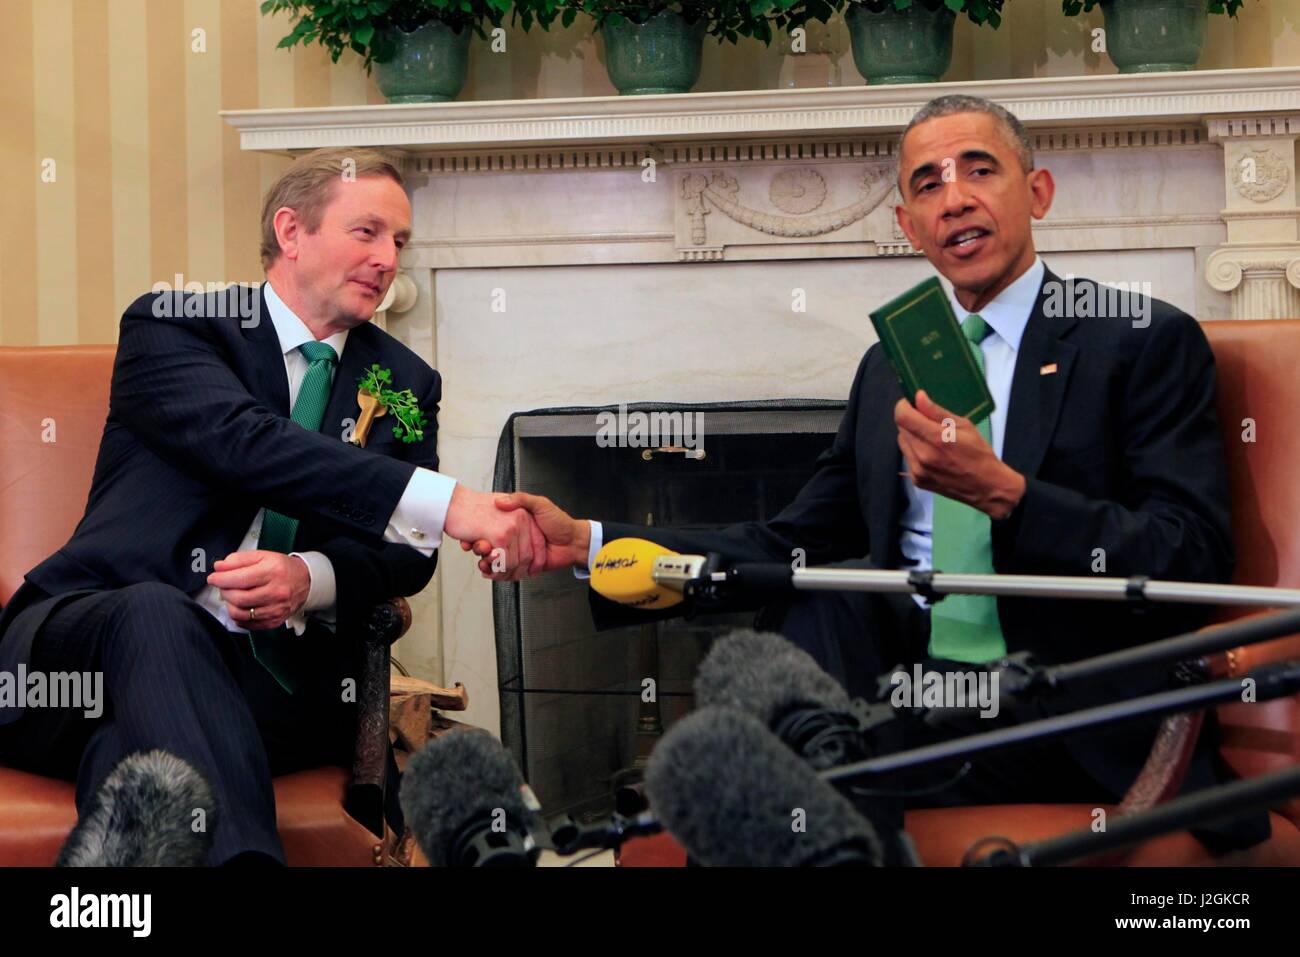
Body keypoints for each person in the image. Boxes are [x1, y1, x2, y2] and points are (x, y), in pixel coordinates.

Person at [464, 95, 1269, 852]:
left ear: (1039, 191)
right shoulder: (890, 367)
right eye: (928, 184)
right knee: (822, 599)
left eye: (979, 170)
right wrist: (592, 543)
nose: (954, 199)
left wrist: (1007, 496)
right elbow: (787, 540)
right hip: (905, 692)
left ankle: (804, 763)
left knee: (779, 762)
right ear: (908, 225)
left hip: (1058, 706)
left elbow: (1190, 556)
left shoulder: (1137, 340)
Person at [0, 148, 545, 865]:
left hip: (269, 686)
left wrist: (306, 576)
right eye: (367, 233)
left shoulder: (405, 380)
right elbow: (245, 442)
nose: (388, 260)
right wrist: (450, 503)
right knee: (159, 616)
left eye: (400, 243)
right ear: (292, 231)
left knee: (141, 760)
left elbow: (404, 556)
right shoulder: (176, 325)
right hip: (80, 655)